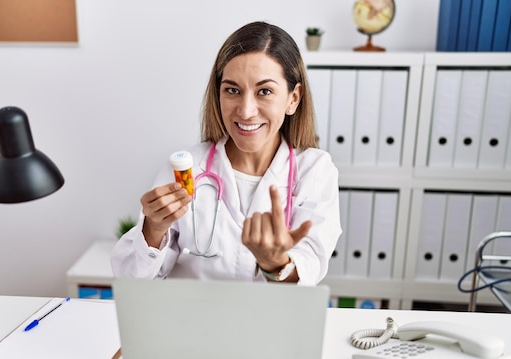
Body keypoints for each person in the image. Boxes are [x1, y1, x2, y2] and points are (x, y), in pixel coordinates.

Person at [110, 21, 341, 286]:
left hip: (267, 323)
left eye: (264, 91)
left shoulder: (315, 170)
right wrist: (154, 229)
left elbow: (310, 268)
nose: (246, 111)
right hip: (190, 322)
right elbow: (130, 280)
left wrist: (275, 263)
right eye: (232, 90)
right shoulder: (187, 167)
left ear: (293, 98)